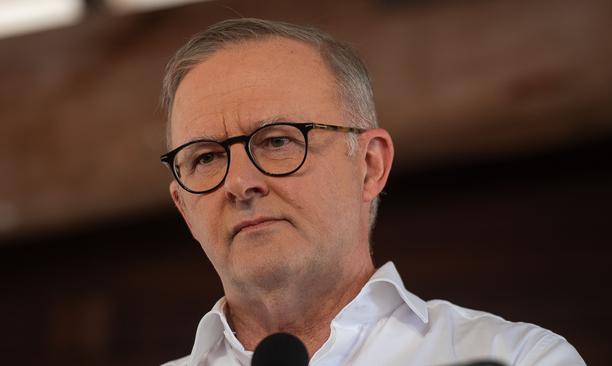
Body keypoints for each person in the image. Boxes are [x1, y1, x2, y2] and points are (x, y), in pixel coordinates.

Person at [159, 18, 585, 366]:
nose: (239, 183)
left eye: (277, 142)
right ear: (183, 207)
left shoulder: (520, 358)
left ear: (370, 166)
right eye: (205, 158)